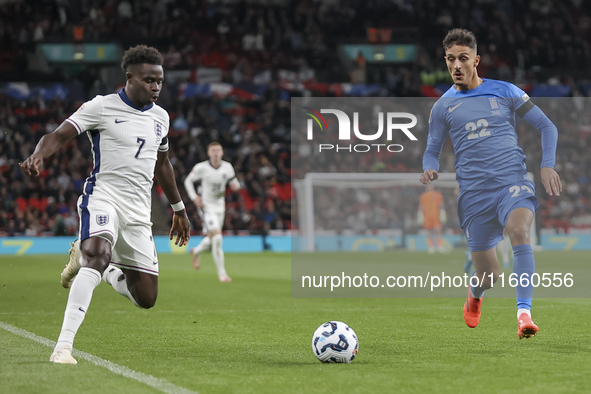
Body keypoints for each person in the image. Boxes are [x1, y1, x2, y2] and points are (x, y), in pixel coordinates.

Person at [20, 45, 191, 364]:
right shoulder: (101, 107)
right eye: (149, 80)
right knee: (96, 254)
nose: (155, 86)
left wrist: (179, 209)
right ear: (129, 78)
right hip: (103, 197)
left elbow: (163, 164)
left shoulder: (161, 117)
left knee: (147, 298)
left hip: (139, 212)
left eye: (160, 81)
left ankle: (103, 267)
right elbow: (59, 135)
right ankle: (63, 346)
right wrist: (39, 155)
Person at [420, 29, 561, 339]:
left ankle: (524, 313)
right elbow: (431, 149)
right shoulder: (442, 107)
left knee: (520, 231)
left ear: (476, 60)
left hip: (511, 182)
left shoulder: (505, 91)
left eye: (463, 59)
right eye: (451, 59)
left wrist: (547, 164)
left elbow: (546, 126)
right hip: (473, 195)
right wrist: (429, 168)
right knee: (489, 275)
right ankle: (474, 294)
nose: (456, 65)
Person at [184, 142, 240, 282]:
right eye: (213, 150)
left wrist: (235, 186)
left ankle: (196, 251)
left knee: (212, 238)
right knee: (217, 237)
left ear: (222, 152)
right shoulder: (202, 167)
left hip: (220, 207)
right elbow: (188, 181)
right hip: (207, 207)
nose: (216, 153)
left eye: (218, 150)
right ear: (209, 153)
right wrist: (194, 197)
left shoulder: (227, 167)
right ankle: (222, 274)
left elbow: (235, 182)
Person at [417, 184, 447, 253]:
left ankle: (440, 247)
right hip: (427, 216)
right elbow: (421, 206)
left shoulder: (438, 194)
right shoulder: (423, 196)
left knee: (438, 230)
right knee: (429, 231)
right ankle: (431, 247)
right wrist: (420, 215)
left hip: (436, 215)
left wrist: (443, 213)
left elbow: (441, 204)